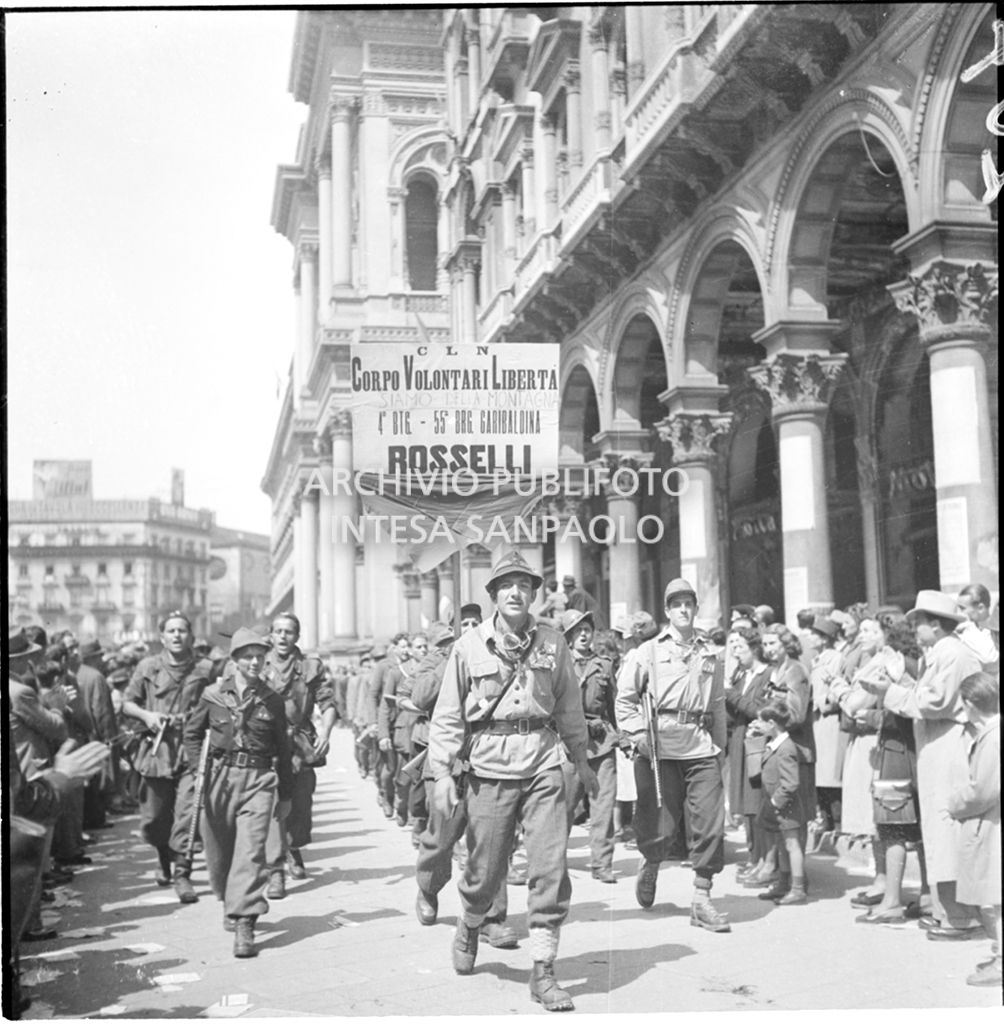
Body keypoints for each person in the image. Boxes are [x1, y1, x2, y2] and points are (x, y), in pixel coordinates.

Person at [428, 549, 597, 1011]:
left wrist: (581, 761)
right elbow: (447, 716)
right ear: (494, 596)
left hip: (543, 763)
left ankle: (543, 970)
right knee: (485, 871)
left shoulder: (553, 643)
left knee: (550, 867)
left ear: (534, 594)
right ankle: (470, 922)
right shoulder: (468, 646)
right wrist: (442, 772)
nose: (516, 593)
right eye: (506, 586)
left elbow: (569, 706)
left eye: (524, 585)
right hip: (490, 769)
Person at [858, 589, 982, 939]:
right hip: (936, 745)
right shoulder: (941, 652)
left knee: (946, 830)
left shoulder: (952, 653)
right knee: (938, 831)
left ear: (936, 625)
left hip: (948, 745)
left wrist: (888, 691)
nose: (914, 630)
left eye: (919, 623)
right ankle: (946, 911)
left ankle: (960, 917)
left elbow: (933, 702)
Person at [615, 578, 730, 932]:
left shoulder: (710, 653)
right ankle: (651, 863)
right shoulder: (647, 652)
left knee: (709, 822)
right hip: (659, 746)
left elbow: (718, 705)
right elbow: (625, 699)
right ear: (667, 610)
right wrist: (637, 735)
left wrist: (720, 749)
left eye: (688, 603)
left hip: (700, 745)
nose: (683, 609)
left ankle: (702, 897)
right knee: (660, 827)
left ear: (695, 608)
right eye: (676, 604)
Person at [183, 627, 294, 958]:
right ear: (234, 660)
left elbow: (284, 750)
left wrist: (286, 794)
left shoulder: (272, 700)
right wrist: (197, 771)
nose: (255, 662)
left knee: (251, 850)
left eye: (260, 656)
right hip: (219, 778)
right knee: (219, 851)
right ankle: (228, 899)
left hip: (259, 779)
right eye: (248, 657)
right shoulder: (212, 695)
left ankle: (246, 919)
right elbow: (192, 734)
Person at [121, 611, 214, 901]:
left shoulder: (206, 668)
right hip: (157, 749)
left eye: (182, 630)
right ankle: (163, 856)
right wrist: (147, 716)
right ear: (162, 637)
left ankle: (182, 873)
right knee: (155, 818)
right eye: (171, 631)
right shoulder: (147, 666)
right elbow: (127, 704)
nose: (176, 635)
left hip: (191, 747)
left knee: (188, 812)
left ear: (191, 636)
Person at [262, 612, 337, 894]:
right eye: (278, 631)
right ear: (271, 634)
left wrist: (326, 733)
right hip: (267, 744)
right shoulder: (258, 663)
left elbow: (327, 703)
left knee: (300, 805)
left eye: (289, 631)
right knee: (271, 805)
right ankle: (275, 870)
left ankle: (293, 848)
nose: (283, 636)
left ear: (297, 636)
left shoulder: (310, 667)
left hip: (300, 744)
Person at [751, 624, 815, 891]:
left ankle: (797, 880)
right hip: (777, 748)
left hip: (796, 751)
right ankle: (783, 875)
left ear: (786, 644)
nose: (768, 649)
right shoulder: (775, 670)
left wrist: (771, 711)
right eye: (765, 644)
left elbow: (797, 715)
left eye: (773, 643)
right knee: (779, 818)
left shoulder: (796, 671)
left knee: (794, 819)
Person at [559, 609, 619, 883]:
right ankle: (554, 860)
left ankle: (602, 864)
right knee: (563, 806)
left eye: (587, 630)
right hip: (569, 744)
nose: (583, 635)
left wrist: (621, 736)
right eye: (577, 631)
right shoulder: (559, 665)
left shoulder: (604, 665)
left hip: (601, 742)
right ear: (568, 636)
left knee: (603, 806)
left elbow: (614, 704)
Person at [949, 671, 1000, 986]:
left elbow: (983, 790)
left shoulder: (991, 737)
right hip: (992, 822)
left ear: (970, 704)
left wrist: (955, 803)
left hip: (991, 825)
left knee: (995, 896)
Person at [723, 626, 773, 879]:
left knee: (756, 802)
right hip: (740, 742)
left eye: (740, 647)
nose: (736, 653)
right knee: (745, 803)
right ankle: (754, 857)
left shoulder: (766, 675)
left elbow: (757, 710)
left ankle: (763, 859)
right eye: (733, 647)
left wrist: (730, 693)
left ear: (754, 648)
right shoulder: (742, 675)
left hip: (756, 745)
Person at [755, 701, 809, 904]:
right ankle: (784, 884)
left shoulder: (786, 748)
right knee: (781, 843)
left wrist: (775, 803)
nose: (757, 724)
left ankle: (798, 889)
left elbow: (791, 783)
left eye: (760, 721)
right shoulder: (775, 744)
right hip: (778, 806)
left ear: (771, 723)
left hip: (786, 806)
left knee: (792, 844)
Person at [806, 617, 845, 836]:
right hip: (817, 721)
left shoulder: (835, 659)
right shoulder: (817, 660)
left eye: (815, 634)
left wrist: (821, 702)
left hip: (828, 720)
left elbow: (836, 688)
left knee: (830, 772)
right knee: (820, 771)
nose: (810, 638)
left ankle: (836, 820)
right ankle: (826, 818)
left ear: (824, 638)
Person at [955, 583, 1000, 674]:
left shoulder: (994, 631)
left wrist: (969, 628)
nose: (959, 613)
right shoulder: (965, 629)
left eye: (962, 608)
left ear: (980, 608)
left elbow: (989, 658)